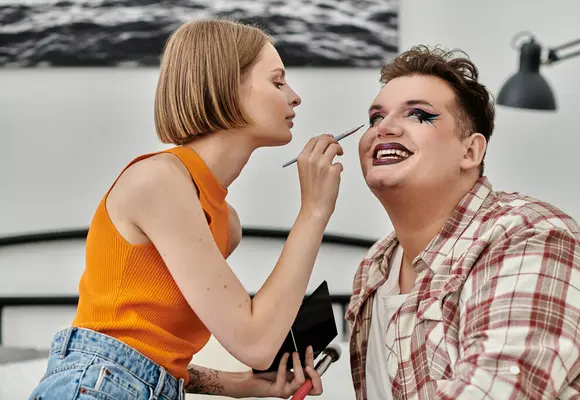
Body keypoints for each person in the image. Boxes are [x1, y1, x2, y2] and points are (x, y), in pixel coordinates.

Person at [29, 19, 345, 400]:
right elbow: (256, 341)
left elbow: (152, 353)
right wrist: (313, 212)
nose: (295, 97)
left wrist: (241, 385)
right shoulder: (159, 181)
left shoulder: (226, 224)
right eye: (277, 82)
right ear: (227, 88)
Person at [345, 45, 580, 399]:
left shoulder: (533, 238)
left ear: (470, 152)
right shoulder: (374, 268)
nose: (383, 128)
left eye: (417, 115)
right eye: (375, 118)